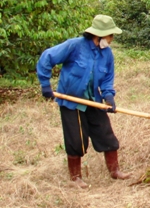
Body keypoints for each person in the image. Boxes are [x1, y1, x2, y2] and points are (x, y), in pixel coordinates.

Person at [37, 15, 132, 188]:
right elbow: (47, 57)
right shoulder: (74, 46)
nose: (111, 39)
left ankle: (115, 171)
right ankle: (75, 178)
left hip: (93, 100)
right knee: (76, 140)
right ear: (101, 35)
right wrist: (45, 85)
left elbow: (107, 78)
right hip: (71, 102)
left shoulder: (107, 54)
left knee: (106, 134)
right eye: (111, 35)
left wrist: (109, 96)